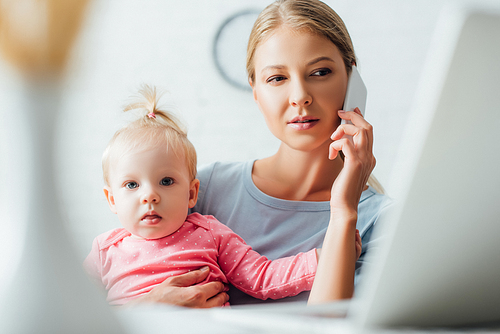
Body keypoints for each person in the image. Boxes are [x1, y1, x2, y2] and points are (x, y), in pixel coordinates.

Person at [128, 0, 389, 307]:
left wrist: (344, 212)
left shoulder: (381, 221)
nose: (300, 97)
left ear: (351, 80)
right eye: (277, 78)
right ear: (255, 91)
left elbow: (328, 325)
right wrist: (146, 308)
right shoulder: (200, 190)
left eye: (320, 72)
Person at [83, 85, 362, 306]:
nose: (150, 196)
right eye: (132, 185)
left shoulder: (210, 232)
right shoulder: (104, 251)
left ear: (192, 193)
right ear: (111, 200)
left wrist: (328, 257)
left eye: (166, 181)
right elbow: (74, 313)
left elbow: (262, 278)